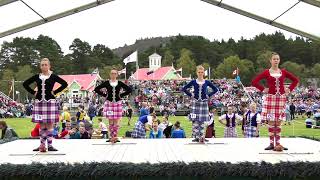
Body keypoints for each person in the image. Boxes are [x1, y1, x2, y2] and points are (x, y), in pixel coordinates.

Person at [252, 52, 299, 151]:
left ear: (279, 60)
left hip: (281, 99)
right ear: (270, 60)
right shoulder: (266, 72)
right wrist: (263, 89)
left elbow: (295, 80)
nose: (276, 61)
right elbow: (254, 81)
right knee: (271, 122)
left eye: (277, 59)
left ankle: (278, 143)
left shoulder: (283, 72)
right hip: (270, 99)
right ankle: (271, 144)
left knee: (278, 122)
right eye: (274, 59)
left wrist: (289, 89)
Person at [23, 58, 68, 152]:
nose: (44, 66)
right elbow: (25, 84)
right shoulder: (37, 76)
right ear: (40, 66)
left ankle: (50, 145)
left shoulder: (53, 76)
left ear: (49, 66)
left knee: (50, 125)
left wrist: (55, 92)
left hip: (50, 102)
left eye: (45, 64)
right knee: (42, 125)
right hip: (39, 103)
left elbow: (64, 84)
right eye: (42, 65)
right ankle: (42, 145)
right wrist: (33, 92)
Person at [94, 68, 132, 143]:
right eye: (112, 73)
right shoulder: (107, 83)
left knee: (116, 122)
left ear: (117, 75)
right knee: (110, 121)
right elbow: (97, 89)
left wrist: (121, 95)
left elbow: (129, 90)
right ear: (110, 74)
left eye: (115, 73)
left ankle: (115, 137)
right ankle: (111, 137)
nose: (113, 75)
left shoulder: (120, 83)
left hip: (117, 103)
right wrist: (105, 95)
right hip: (109, 104)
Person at [182, 65, 218, 143]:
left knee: (202, 120)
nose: (200, 73)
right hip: (195, 102)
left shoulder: (207, 82)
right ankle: (196, 136)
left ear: (203, 73)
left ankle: (202, 137)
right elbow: (184, 88)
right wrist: (191, 95)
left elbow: (215, 89)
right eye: (199, 72)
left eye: (202, 72)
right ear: (196, 72)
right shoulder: (193, 81)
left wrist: (208, 95)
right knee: (195, 120)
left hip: (204, 102)